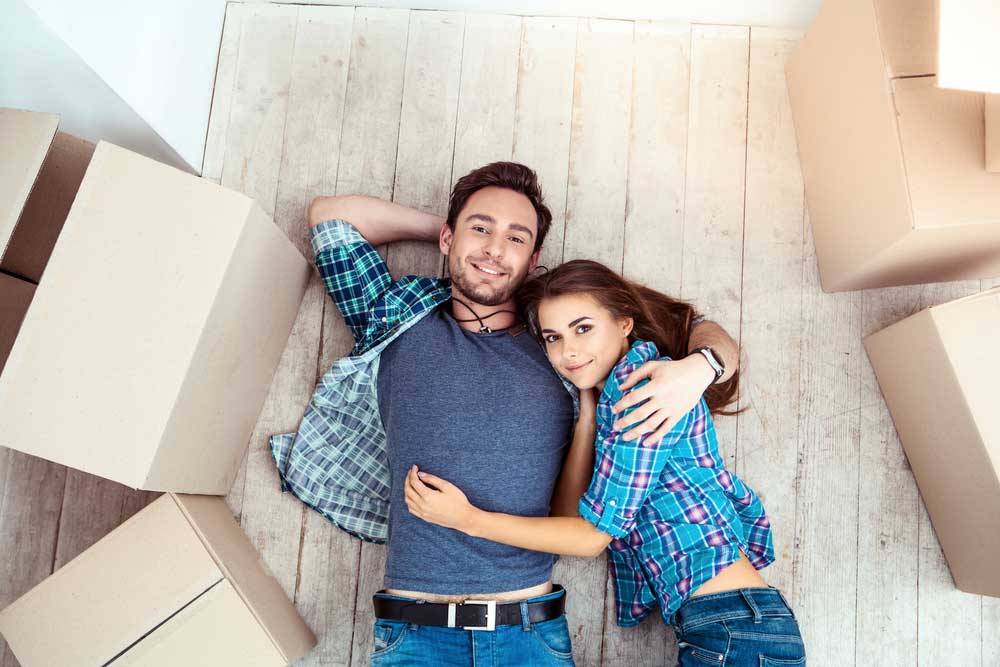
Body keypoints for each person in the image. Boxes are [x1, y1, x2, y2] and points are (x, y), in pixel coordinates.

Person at [269, 163, 741, 666]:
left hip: (528, 633)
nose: (495, 249)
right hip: (415, 634)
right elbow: (331, 218)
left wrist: (699, 368)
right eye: (481, 229)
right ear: (448, 237)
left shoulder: (565, 350)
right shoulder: (396, 317)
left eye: (516, 238)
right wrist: (454, 235)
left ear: (534, 260)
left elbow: (698, 328)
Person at [404, 259, 806, 667]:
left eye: (583, 328)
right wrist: (587, 422)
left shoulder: (644, 391)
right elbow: (568, 519)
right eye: (553, 337)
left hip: (733, 628)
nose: (569, 351)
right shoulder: (613, 404)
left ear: (624, 323)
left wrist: (468, 519)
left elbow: (590, 538)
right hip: (728, 624)